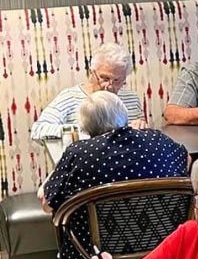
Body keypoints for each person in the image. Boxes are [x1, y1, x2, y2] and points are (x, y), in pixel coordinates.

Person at [42, 91, 188, 213]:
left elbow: (47, 204)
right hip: (163, 242)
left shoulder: (79, 153)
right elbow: (186, 160)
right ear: (124, 114)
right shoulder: (157, 140)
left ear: (85, 127)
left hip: (89, 246)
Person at [31, 43, 146, 142]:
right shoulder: (70, 97)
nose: (109, 86)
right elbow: (38, 130)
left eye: (117, 80)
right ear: (92, 72)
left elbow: (141, 139)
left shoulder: (132, 99)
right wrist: (83, 133)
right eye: (104, 78)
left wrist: (141, 129)